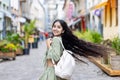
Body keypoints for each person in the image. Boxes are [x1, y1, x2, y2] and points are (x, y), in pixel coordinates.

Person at [39, 19, 112, 80]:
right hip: (54, 72)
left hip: (52, 73)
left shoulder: (56, 40)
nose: (55, 29)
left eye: (58, 27)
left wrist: (48, 45)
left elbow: (56, 57)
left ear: (63, 30)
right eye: (54, 26)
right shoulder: (60, 39)